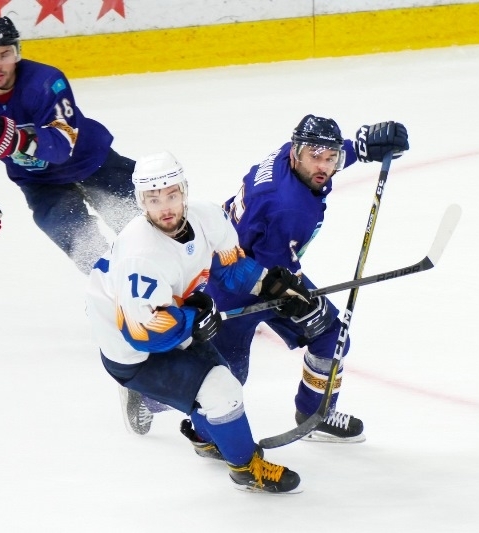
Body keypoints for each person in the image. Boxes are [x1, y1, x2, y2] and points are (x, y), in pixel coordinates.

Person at [85, 151, 313, 493]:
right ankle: (245, 469)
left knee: (224, 379)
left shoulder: (208, 217)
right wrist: (192, 320)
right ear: (141, 202)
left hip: (165, 314)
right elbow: (142, 333)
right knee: (222, 389)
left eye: (172, 195)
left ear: (184, 191)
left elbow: (230, 267)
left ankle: (206, 440)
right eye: (154, 199)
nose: (166, 208)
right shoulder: (141, 255)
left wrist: (270, 285)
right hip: (130, 349)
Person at [203, 115, 410, 443]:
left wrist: (360, 147)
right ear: (296, 153)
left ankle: (316, 415)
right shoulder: (289, 208)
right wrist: (301, 305)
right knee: (223, 380)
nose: (324, 167)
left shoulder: (290, 159)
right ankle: (148, 397)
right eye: (316, 157)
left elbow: (322, 155)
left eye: (332, 158)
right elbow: (270, 279)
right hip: (235, 286)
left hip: (260, 264)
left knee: (331, 334)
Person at [0, 16, 140, 275]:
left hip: (94, 163)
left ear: (17, 52)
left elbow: (61, 148)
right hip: (41, 184)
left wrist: (12, 138)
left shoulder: (47, 82)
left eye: (5, 54)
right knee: (91, 255)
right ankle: (121, 294)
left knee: (148, 228)